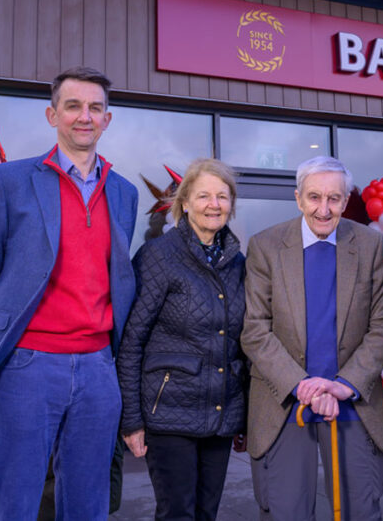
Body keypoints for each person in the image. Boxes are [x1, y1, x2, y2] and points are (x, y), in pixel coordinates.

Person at [0, 67, 138, 520]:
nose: (85, 117)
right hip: (27, 366)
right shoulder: (7, 181)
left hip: (99, 368)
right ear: (52, 114)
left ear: (107, 119)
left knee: (88, 502)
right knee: (15, 501)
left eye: (95, 108)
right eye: (73, 106)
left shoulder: (124, 193)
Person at [242, 156, 383, 521]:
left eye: (334, 198)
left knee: (361, 511)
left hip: (352, 402)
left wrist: (346, 384)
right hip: (285, 402)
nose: (324, 209)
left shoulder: (370, 244)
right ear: (298, 199)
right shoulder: (265, 246)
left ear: (346, 201)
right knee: (287, 513)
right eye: (314, 197)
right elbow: (255, 329)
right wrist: (303, 387)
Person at [117, 158, 247, 521]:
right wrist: (131, 420)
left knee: (207, 513)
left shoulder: (238, 262)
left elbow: (243, 343)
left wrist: (245, 417)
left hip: (220, 413)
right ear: (185, 202)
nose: (214, 204)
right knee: (178, 514)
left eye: (222, 196)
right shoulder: (158, 256)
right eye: (203, 195)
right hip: (169, 413)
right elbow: (131, 343)